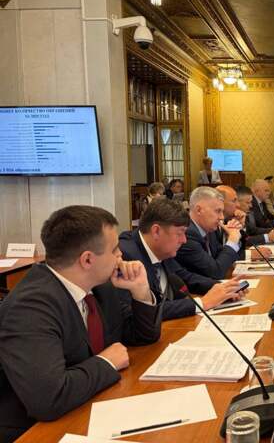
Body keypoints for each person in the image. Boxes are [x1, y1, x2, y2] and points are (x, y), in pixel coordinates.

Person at [0, 205, 162, 441]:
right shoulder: (30, 308)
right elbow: (49, 398)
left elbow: (141, 337)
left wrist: (140, 291)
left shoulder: (100, 286)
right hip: (34, 431)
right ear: (87, 259)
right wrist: (106, 362)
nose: (121, 255)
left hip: (91, 404)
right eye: (114, 249)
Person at [119, 198, 243, 320]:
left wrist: (225, 288)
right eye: (179, 233)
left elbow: (185, 277)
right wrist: (202, 303)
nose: (184, 240)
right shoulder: (126, 256)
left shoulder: (162, 250)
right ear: (156, 231)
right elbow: (138, 312)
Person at [175, 187, 241, 279]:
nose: (222, 217)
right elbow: (216, 272)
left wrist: (230, 236)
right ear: (198, 210)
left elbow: (222, 257)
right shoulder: (187, 234)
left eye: (222, 212)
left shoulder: (208, 229)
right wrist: (232, 241)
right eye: (218, 211)